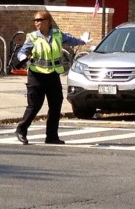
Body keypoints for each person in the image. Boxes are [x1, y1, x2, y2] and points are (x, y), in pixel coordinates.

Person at [15, 10, 86, 145]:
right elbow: (22, 51)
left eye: (39, 19)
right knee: (35, 105)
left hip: (53, 75)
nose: (36, 22)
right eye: (35, 20)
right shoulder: (33, 37)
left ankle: (52, 136)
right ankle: (21, 130)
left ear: (48, 21)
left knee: (55, 105)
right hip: (36, 75)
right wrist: (23, 58)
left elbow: (71, 40)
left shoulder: (57, 34)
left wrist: (83, 41)